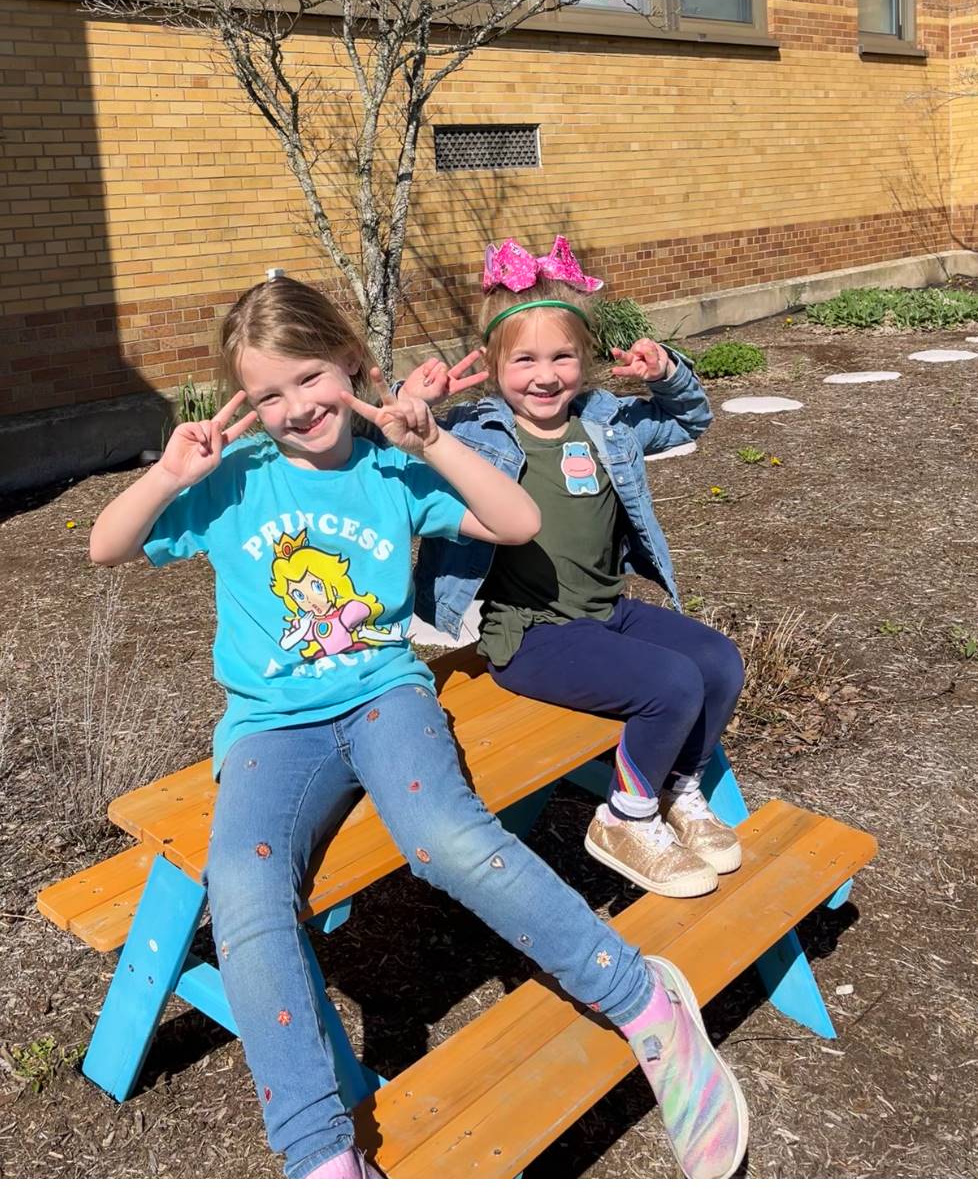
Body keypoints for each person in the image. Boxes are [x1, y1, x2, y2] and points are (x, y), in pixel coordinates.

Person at [89, 274, 747, 1181]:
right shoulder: (228, 481)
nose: (294, 408)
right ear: (241, 400)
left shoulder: (393, 466)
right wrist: (170, 472)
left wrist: (430, 437)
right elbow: (106, 546)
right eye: (268, 392)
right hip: (271, 731)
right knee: (241, 890)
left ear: (352, 366)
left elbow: (515, 521)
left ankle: (642, 1002)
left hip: (387, 697)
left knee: (446, 839)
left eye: (311, 378)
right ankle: (319, 1158)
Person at [407, 237, 746, 901]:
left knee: (719, 661)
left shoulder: (606, 423)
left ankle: (677, 786)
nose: (545, 375)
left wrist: (667, 374)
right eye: (524, 359)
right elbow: (389, 449)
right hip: (530, 635)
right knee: (672, 685)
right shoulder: (473, 434)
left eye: (562, 356)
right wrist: (417, 403)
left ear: (586, 361)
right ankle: (624, 819)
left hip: (605, 612)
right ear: (496, 365)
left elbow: (691, 423)